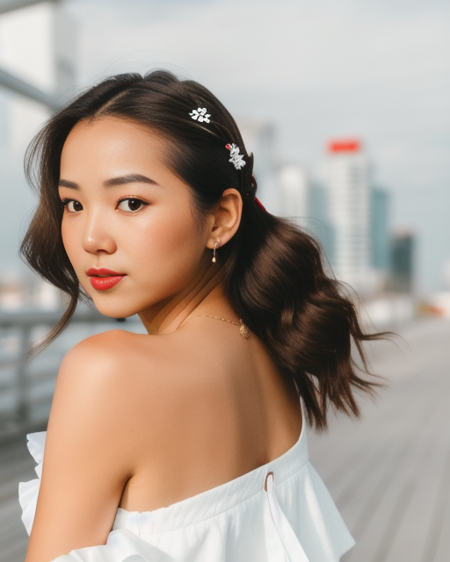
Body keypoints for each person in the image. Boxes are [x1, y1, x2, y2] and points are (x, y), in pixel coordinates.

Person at [18, 70, 382, 562]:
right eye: (73, 203)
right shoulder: (269, 346)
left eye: (131, 202)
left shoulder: (108, 370)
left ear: (221, 218)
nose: (90, 238)